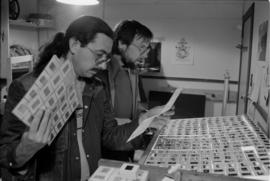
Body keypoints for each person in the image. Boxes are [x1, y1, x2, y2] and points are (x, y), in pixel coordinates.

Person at [0, 16, 164, 181]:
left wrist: (143, 121)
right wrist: (25, 149)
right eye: (99, 55)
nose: (102, 66)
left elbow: (111, 137)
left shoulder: (97, 87)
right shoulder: (27, 87)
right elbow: (5, 156)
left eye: (106, 58)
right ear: (74, 45)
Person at [102, 20, 171, 161]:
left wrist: (153, 113)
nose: (145, 54)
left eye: (147, 48)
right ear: (121, 44)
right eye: (142, 48)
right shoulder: (103, 72)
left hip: (127, 142)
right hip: (108, 147)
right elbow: (101, 122)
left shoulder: (133, 71)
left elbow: (136, 106)